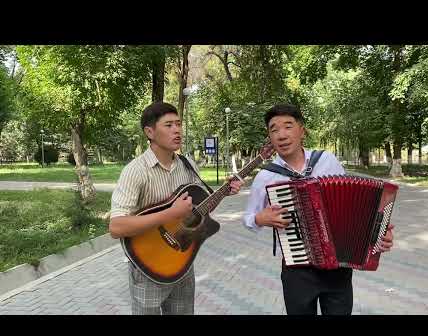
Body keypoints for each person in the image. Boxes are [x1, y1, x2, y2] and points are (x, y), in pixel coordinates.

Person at [243, 103, 394, 315]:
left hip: (338, 267)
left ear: (301, 130)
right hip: (298, 271)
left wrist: (378, 233)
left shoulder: (327, 160)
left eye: (288, 126)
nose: (281, 135)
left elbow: (353, 206)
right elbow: (248, 218)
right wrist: (260, 218)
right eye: (274, 129)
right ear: (269, 137)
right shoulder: (266, 177)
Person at [109, 101, 243, 315]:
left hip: (182, 260)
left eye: (178, 124)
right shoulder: (135, 171)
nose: (177, 130)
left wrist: (225, 190)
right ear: (150, 132)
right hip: (148, 266)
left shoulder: (187, 164)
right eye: (169, 125)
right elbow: (116, 227)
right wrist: (170, 213)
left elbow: (200, 209)